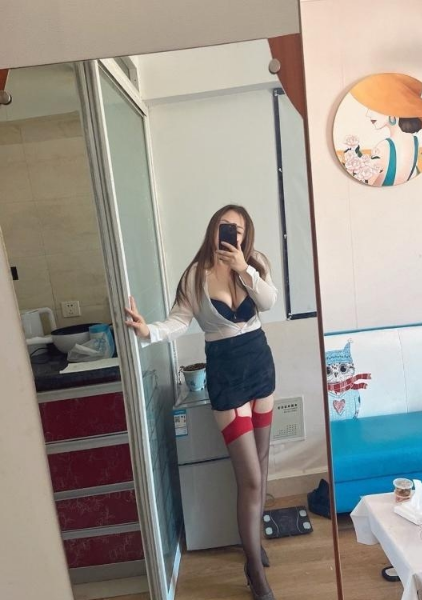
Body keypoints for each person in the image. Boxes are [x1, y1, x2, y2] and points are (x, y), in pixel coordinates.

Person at [125, 204, 278, 600]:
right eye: (227, 227)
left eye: (239, 229)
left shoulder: (255, 263)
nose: (233, 234)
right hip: (226, 375)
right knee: (250, 477)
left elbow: (269, 302)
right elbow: (178, 321)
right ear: (213, 229)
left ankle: (254, 545)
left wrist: (244, 268)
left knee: (262, 463)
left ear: (246, 235)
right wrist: (147, 331)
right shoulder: (195, 276)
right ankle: (254, 570)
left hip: (260, 366)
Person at [351, 73, 422, 186]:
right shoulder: (414, 141)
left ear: (393, 110)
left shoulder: (384, 147)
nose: (368, 114)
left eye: (373, 107)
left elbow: (364, 186)